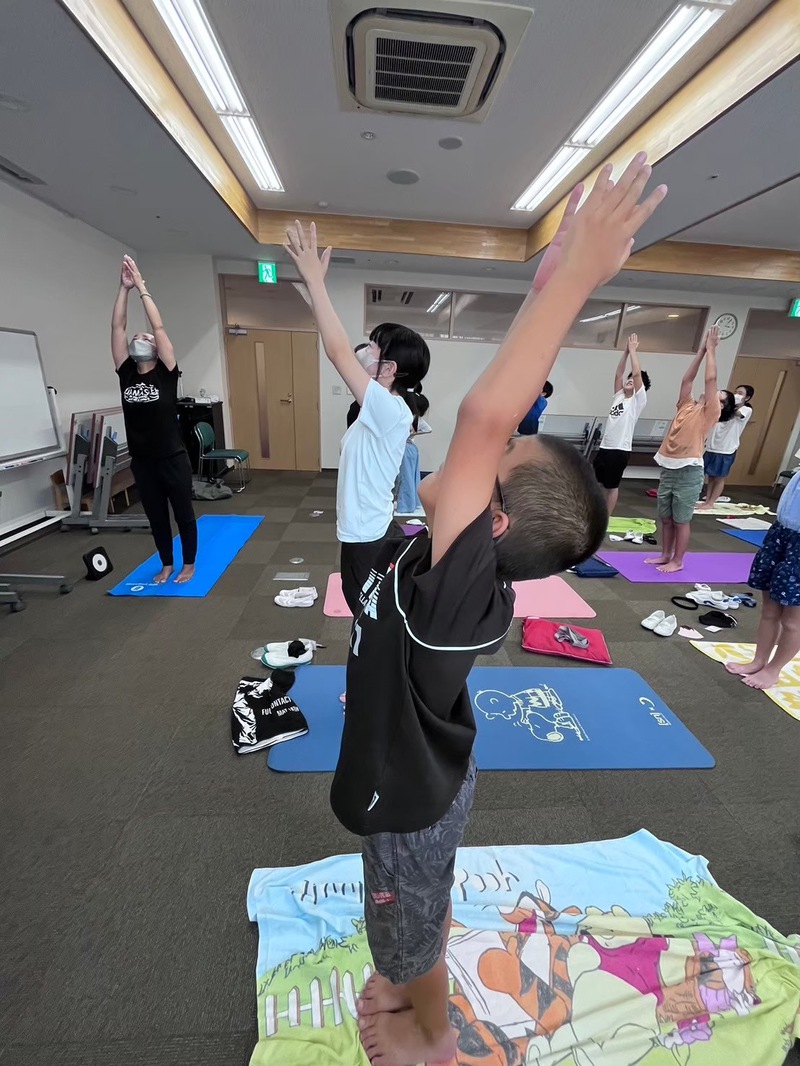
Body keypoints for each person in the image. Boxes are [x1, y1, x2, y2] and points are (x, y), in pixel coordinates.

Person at [289, 157, 666, 1066]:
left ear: (489, 514)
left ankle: (436, 1042)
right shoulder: (456, 560)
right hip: (436, 772)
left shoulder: (456, 575)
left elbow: (486, 417)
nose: (489, 441)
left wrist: (578, 276)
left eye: (494, 457)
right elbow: (505, 414)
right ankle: (423, 998)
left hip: (411, 797)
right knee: (429, 897)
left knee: (404, 926)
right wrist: (547, 280)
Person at [283, 229, 430, 618]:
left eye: (376, 347)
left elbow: (336, 351)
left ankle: (381, 679)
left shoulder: (389, 407)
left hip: (368, 537)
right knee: (367, 616)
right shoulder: (381, 406)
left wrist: (317, 282)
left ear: (390, 368)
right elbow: (336, 345)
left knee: (372, 620)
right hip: (362, 531)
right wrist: (313, 295)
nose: (366, 349)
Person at [111, 255, 197, 584]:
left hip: (172, 457)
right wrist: (124, 289)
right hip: (143, 460)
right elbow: (117, 327)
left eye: (145, 338)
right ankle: (166, 563)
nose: (139, 338)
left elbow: (158, 327)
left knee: (183, 514)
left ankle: (188, 563)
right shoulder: (126, 372)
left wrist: (142, 287)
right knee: (156, 516)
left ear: (157, 349)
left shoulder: (166, 373)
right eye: (138, 337)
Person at [645, 325, 733, 573]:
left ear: (720, 406)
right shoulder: (687, 405)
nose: (714, 394)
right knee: (666, 518)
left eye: (720, 396)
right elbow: (687, 380)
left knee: (681, 520)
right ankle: (665, 554)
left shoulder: (710, 412)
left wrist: (713, 350)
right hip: (669, 468)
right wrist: (702, 351)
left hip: (689, 471)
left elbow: (710, 379)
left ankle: (678, 560)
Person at [725, 466, 800, 689]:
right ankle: (759, 660)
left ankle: (773, 670)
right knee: (770, 610)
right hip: (782, 531)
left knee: (792, 620)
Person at [593, 332, 651, 514]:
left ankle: (606, 517)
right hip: (605, 447)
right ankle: (596, 512)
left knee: (612, 485)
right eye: (628, 380)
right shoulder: (618, 396)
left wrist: (634, 351)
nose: (628, 380)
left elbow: (636, 373)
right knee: (596, 483)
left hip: (619, 450)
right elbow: (619, 373)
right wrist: (625, 352)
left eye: (632, 380)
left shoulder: (637, 401)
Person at [697, 384, 755, 509]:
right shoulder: (724, 409)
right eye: (735, 392)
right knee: (710, 477)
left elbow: (739, 414)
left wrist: (730, 403)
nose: (736, 395)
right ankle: (707, 500)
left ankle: (711, 502)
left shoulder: (746, 410)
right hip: (711, 447)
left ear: (747, 398)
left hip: (726, 450)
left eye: (740, 393)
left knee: (719, 477)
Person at [395, 393, 431, 515]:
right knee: (412, 476)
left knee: (405, 477)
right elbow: (428, 429)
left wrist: (408, 434)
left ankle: (405, 505)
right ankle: (412, 502)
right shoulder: (417, 419)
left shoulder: (406, 417)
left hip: (404, 449)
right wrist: (413, 434)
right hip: (412, 449)